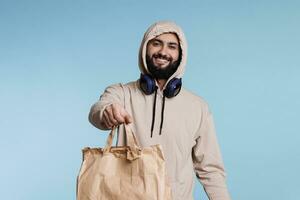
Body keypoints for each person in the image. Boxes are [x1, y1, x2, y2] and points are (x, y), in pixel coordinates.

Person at [89, 21, 231, 200]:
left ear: (181, 54)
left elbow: (211, 170)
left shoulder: (198, 107)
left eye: (172, 46)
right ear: (144, 49)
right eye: (156, 43)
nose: (163, 52)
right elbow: (97, 111)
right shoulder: (122, 93)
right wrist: (107, 111)